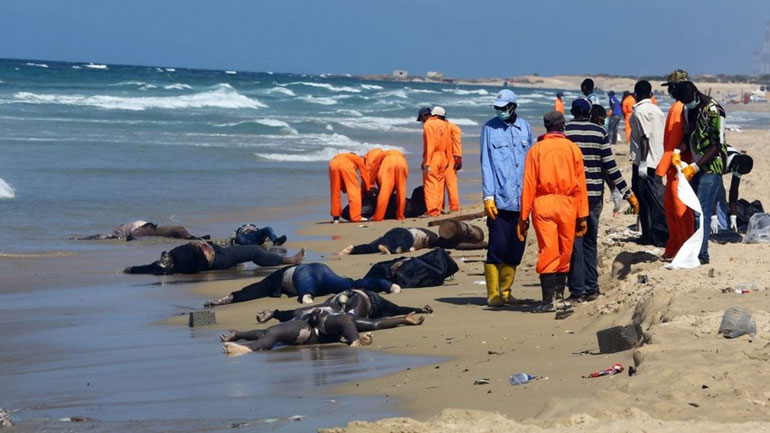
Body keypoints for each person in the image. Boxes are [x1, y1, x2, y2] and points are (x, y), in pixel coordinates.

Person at [565, 100, 638, 302]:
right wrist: (627, 193)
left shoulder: (565, 131)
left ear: (571, 111)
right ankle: (592, 288)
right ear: (589, 113)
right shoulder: (599, 132)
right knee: (590, 242)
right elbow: (610, 166)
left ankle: (576, 291)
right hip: (594, 195)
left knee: (575, 243)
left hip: (572, 195)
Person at [518, 111, 588, 313]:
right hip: (568, 204)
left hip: (543, 203)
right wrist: (582, 215)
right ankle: (559, 297)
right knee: (565, 250)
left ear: (546, 126)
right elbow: (580, 185)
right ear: (563, 125)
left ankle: (548, 300)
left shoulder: (536, 150)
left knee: (548, 250)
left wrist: (523, 217)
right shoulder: (573, 149)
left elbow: (528, 184)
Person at [480, 89, 534, 307]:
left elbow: (532, 163)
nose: (500, 111)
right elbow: (486, 164)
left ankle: (506, 291)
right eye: (497, 108)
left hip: (522, 200)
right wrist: (488, 196)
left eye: (503, 108)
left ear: (513, 107)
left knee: (515, 248)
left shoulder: (525, 128)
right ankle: (493, 294)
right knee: (497, 246)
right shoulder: (489, 129)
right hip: (500, 199)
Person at [673, 81, 729, 264]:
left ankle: (702, 255)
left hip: (712, 165)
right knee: (694, 209)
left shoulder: (714, 110)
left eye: (687, 100)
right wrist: (677, 151)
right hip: (696, 164)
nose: (686, 104)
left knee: (702, 211)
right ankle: (698, 251)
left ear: (695, 95)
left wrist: (696, 167)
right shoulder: (687, 109)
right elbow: (688, 135)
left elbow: (717, 146)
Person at [220, 309, 425, 354]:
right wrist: (239, 333)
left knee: (272, 333)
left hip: (306, 329)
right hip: (307, 332)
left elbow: (375, 324)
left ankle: (246, 349)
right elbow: (375, 324)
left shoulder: (343, 317)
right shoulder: (344, 317)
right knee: (271, 333)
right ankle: (243, 345)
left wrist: (403, 319)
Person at [203, 262, 400, 306]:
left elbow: (254, 290)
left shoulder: (274, 278)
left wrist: (230, 298)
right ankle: (385, 284)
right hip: (320, 269)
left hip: (301, 273)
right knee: (349, 284)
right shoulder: (278, 277)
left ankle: (306, 295)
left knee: (309, 288)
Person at [655, 69, 694, 259]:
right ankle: (674, 248)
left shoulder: (679, 109)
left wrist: (660, 170)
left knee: (679, 212)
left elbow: (674, 142)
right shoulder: (680, 108)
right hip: (675, 167)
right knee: (672, 211)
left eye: (670, 87)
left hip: (678, 167)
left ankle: (682, 249)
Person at [629, 80, 668, 247]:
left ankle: (652, 236)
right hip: (658, 159)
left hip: (645, 161)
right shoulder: (657, 110)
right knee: (654, 199)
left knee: (647, 200)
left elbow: (644, 138)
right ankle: (651, 235)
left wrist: (643, 163)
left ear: (636, 94)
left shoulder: (640, 111)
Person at [256, 289, 432, 323]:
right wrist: (275, 313)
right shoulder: (324, 311)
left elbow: (299, 312)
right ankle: (418, 310)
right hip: (359, 297)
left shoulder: (325, 311)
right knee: (393, 310)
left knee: (393, 310)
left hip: (361, 298)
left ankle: (418, 309)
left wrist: (276, 313)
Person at [124, 242, 305, 275]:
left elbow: (147, 267)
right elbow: (202, 262)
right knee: (254, 251)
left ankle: (233, 265)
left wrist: (132, 269)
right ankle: (289, 261)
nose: (163, 258)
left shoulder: (169, 258)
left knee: (245, 253)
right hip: (217, 258)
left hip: (218, 253)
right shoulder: (180, 263)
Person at [419, 106, 451, 217]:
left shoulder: (429, 124)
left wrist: (427, 162)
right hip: (443, 157)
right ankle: (438, 208)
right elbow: (448, 144)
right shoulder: (445, 124)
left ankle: (432, 210)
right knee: (439, 184)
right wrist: (448, 159)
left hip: (433, 157)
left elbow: (430, 145)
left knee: (430, 184)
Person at [713, 146, 753, 232]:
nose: (739, 174)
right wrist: (713, 216)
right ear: (737, 165)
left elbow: (734, 190)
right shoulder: (723, 160)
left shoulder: (738, 165)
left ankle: (724, 226)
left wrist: (733, 216)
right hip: (706, 167)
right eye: (740, 172)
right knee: (716, 197)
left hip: (717, 172)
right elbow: (712, 192)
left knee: (721, 198)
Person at [364, 148, 409, 221]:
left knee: (384, 191)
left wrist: (370, 185)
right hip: (402, 162)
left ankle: (378, 216)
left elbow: (372, 172)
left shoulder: (377, 157)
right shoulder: (388, 153)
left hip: (389, 162)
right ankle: (400, 215)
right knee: (401, 190)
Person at [433, 106, 463, 213]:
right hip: (444, 158)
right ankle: (443, 207)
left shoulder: (451, 128)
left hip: (449, 159)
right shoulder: (450, 127)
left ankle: (449, 207)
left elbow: (456, 143)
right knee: (446, 184)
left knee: (447, 184)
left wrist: (458, 157)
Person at [329, 152, 372, 223]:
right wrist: (368, 188)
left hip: (332, 164)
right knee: (354, 191)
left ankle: (336, 218)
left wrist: (344, 188)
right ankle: (356, 217)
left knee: (335, 191)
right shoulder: (358, 158)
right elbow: (364, 173)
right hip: (346, 166)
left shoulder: (339, 156)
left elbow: (340, 181)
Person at [71, 220, 205, 241]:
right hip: (149, 226)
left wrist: (82, 238)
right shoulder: (121, 229)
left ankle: (190, 237)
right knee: (177, 229)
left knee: (177, 230)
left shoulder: (119, 230)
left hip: (143, 228)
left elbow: (101, 236)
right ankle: (190, 237)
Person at [338, 227, 438, 255]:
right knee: (402, 246)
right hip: (407, 235)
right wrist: (412, 249)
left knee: (375, 246)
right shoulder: (428, 237)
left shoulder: (422, 231)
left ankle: (353, 249)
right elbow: (419, 246)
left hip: (396, 230)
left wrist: (374, 242)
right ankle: (388, 248)